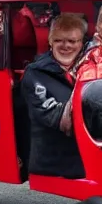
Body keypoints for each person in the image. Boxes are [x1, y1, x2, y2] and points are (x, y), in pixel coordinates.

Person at [21, 13, 87, 179]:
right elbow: (56, 117)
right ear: (50, 42)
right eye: (59, 40)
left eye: (72, 41)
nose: (65, 46)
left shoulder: (90, 68)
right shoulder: (35, 73)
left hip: (86, 155)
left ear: (82, 44)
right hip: (56, 162)